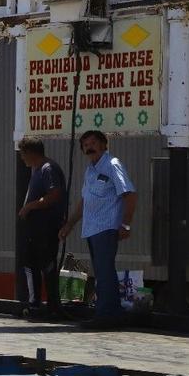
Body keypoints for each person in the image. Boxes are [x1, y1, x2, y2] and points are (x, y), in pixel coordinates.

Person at [59, 130, 137, 329]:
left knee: (104, 272)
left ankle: (106, 316)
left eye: (93, 143)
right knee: (102, 272)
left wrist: (126, 224)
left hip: (106, 227)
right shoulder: (90, 171)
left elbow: (129, 194)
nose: (89, 147)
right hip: (92, 229)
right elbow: (84, 202)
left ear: (103, 145)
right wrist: (69, 224)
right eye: (85, 145)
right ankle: (110, 314)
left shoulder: (112, 165)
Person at [16, 136, 68, 320]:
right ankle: (38, 303)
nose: (22, 158)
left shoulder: (48, 169)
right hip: (36, 228)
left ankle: (48, 305)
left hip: (45, 228)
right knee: (33, 264)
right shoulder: (36, 170)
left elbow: (54, 195)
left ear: (30, 153)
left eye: (23, 154)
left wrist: (30, 206)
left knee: (44, 266)